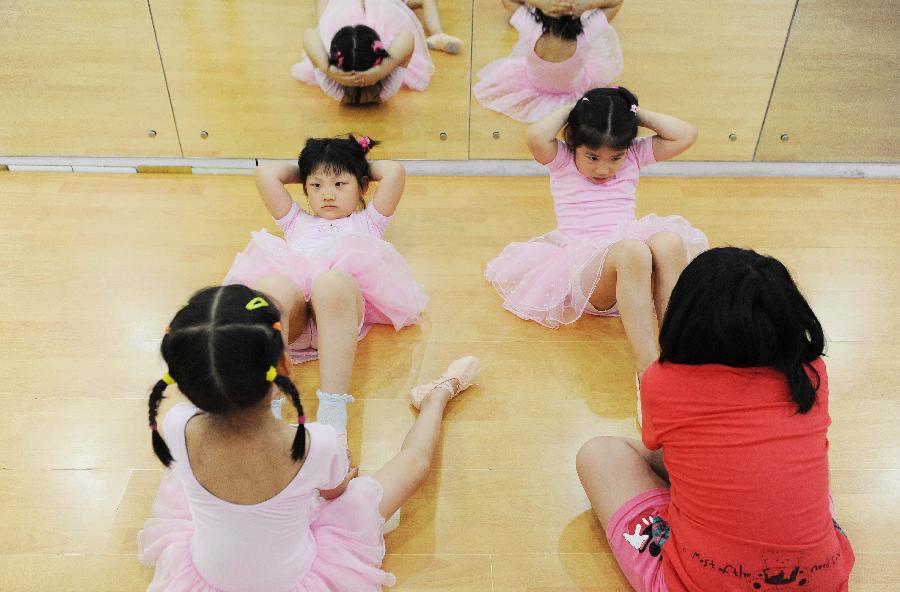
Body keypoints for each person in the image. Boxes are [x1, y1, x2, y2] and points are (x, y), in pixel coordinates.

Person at [138, 284, 481, 591]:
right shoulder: (316, 444)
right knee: (413, 464)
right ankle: (438, 396)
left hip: (208, 574)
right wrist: (337, 480)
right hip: (296, 577)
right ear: (285, 363)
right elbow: (333, 491)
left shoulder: (176, 424)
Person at [576, 247, 855, 591]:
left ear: (684, 317)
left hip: (695, 584)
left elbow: (660, 448)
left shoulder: (664, 382)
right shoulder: (812, 374)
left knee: (599, 454)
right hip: (822, 584)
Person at [485, 87, 708, 384]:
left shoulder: (634, 156)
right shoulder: (561, 160)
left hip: (634, 277)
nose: (604, 168)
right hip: (588, 273)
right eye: (592, 157)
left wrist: (629, 113)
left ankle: (678, 348)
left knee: (669, 240)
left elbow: (686, 134)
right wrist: (576, 108)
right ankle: (648, 367)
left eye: (615, 158)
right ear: (573, 142)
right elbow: (536, 137)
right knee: (632, 250)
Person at [223, 134, 426, 422]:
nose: (328, 194)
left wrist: (353, 162)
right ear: (304, 188)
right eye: (316, 186)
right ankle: (269, 408)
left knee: (331, 281)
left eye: (340, 184)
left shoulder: (368, 222)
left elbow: (394, 172)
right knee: (269, 288)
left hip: (335, 320)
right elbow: (264, 172)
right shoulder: (296, 222)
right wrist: (313, 166)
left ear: (363, 186)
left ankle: (333, 412)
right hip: (292, 324)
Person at [473, 0, 623, 122]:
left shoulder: (531, 27)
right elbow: (616, 2)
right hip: (572, 89)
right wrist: (585, 5)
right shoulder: (587, 33)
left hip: (535, 84)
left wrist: (540, 3)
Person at [293, 0, 441, 104]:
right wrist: (381, 71)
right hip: (380, 14)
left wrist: (329, 71)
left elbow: (308, 35)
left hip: (351, 32)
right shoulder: (385, 88)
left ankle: (326, 21)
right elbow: (408, 38)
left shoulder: (334, 86)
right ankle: (438, 32)